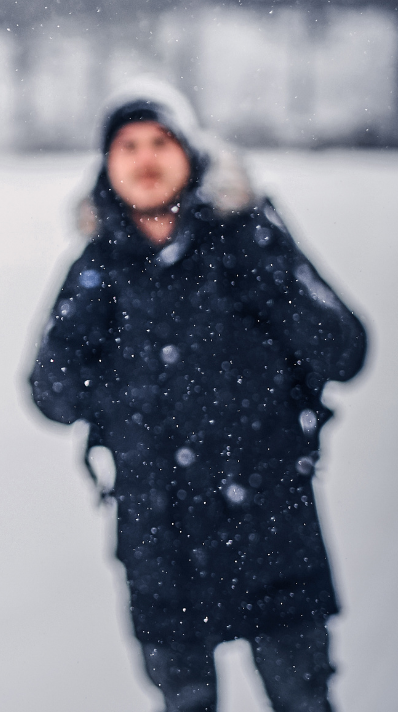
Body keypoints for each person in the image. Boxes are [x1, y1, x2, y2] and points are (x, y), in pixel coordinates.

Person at [29, 79, 367, 712]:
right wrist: (91, 337)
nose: (145, 159)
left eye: (160, 141)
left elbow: (343, 352)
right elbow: (51, 394)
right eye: (127, 146)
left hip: (272, 526)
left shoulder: (249, 239)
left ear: (192, 153)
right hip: (161, 544)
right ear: (107, 165)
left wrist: (270, 267)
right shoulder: (100, 264)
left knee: (304, 700)